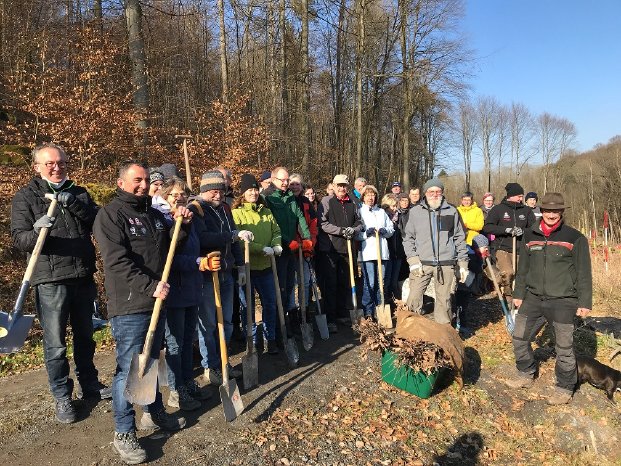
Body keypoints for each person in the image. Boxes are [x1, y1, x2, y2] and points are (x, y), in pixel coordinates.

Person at [93, 161, 193, 464]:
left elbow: (169, 250)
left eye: (147, 180)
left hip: (156, 302)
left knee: (152, 360)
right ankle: (124, 431)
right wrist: (150, 285)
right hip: (130, 304)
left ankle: (153, 412)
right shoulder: (110, 216)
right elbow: (116, 262)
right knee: (129, 367)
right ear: (122, 182)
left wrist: (182, 224)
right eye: (137, 180)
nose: (143, 184)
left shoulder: (152, 214)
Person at [10, 142, 110, 425]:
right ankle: (62, 396)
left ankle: (89, 384)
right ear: (37, 167)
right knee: (55, 344)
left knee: (85, 337)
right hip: (50, 280)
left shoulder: (78, 192)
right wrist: (36, 230)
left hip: (82, 275)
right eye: (50, 163)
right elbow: (19, 239)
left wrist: (74, 203)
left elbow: (99, 222)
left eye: (61, 163)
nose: (57, 167)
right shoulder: (26, 197)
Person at [505, 193, 592, 406]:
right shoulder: (529, 235)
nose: (551, 214)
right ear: (541, 211)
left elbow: (583, 272)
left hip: (564, 300)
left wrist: (584, 302)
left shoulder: (575, 237)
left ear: (561, 213)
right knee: (519, 337)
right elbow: (523, 269)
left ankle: (564, 386)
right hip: (533, 298)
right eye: (547, 210)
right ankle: (525, 372)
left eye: (556, 211)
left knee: (563, 346)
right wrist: (518, 294)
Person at [152, 177, 212, 412]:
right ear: (165, 195)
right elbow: (168, 259)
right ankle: (176, 390)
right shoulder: (162, 219)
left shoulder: (189, 218)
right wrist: (197, 262)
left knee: (188, 340)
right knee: (175, 343)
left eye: (183, 194)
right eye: (174, 194)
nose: (179, 198)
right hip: (174, 289)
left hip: (191, 286)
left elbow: (195, 246)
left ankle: (187, 381)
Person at [188, 170, 248, 385]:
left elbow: (233, 239)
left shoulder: (225, 208)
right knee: (209, 324)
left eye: (221, 191)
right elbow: (202, 239)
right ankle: (210, 365)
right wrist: (229, 235)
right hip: (206, 275)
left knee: (228, 322)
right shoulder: (195, 210)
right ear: (204, 191)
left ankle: (224, 361)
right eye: (213, 191)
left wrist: (240, 265)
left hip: (226, 273)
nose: (218, 195)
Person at [402, 178, 469, 325]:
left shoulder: (451, 211)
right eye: (431, 192)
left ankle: (443, 335)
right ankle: (412, 333)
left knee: (444, 301)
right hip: (422, 263)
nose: (434, 194)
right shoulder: (415, 212)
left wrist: (463, 263)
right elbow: (408, 239)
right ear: (425, 193)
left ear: (442, 193)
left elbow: (459, 238)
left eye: (438, 191)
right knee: (413, 297)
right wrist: (413, 261)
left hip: (446, 264)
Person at [232, 174, 282, 354]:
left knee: (270, 303)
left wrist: (276, 244)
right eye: (249, 190)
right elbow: (239, 241)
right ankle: (251, 341)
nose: (253, 193)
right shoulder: (236, 213)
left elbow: (276, 230)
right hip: (246, 268)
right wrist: (261, 248)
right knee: (248, 308)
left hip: (266, 267)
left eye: (255, 189)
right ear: (242, 193)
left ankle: (271, 338)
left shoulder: (266, 211)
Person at [262, 167, 312, 335]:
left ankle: (288, 322)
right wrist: (286, 241)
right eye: (281, 180)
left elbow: (299, 216)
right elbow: (273, 224)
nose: (285, 183)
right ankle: (277, 327)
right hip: (278, 250)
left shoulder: (290, 196)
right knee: (280, 288)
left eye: (287, 180)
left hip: (291, 249)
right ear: (273, 180)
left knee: (290, 286)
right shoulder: (268, 198)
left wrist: (306, 238)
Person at [316, 174, 364, 332]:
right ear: (334, 186)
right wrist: (341, 231)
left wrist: (354, 229)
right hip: (331, 248)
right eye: (339, 185)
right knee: (331, 284)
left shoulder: (352, 202)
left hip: (348, 248)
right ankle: (331, 318)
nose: (342, 188)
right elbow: (322, 223)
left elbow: (359, 221)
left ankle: (343, 314)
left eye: (344, 186)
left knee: (345, 282)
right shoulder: (327, 201)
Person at [482, 183, 535, 305]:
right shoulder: (498, 209)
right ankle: (507, 293)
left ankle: (518, 298)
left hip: (520, 248)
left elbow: (534, 228)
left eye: (522, 196)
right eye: (519, 196)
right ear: (511, 196)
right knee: (508, 272)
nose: (521, 199)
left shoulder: (526, 210)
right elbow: (488, 227)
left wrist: (523, 231)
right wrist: (506, 230)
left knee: (520, 275)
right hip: (502, 248)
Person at [358, 186, 394, 319]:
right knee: (370, 283)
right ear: (363, 197)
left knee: (381, 283)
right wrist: (365, 233)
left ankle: (381, 309)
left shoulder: (381, 212)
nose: (370, 197)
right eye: (368, 195)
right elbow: (356, 234)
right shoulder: (360, 211)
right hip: (367, 253)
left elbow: (391, 229)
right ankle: (368, 311)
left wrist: (386, 231)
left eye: (373, 195)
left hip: (382, 252)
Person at [289, 173, 318, 319]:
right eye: (292, 184)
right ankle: (292, 312)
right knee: (290, 283)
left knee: (305, 281)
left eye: (297, 184)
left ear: (302, 186)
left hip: (305, 247)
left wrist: (310, 242)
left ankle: (304, 310)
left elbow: (313, 224)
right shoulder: (285, 200)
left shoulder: (306, 202)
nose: (295, 186)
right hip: (290, 248)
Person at [381, 194, 405, 302]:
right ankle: (386, 301)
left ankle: (395, 303)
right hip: (387, 254)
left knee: (394, 281)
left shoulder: (399, 218)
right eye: (392, 206)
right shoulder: (383, 218)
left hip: (398, 253)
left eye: (396, 206)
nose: (395, 209)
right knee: (387, 280)